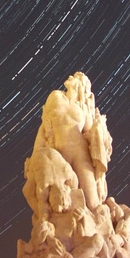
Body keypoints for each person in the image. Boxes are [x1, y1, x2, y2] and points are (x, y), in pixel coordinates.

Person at [34, 73, 100, 210]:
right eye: (79, 82)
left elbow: (90, 132)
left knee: (93, 203)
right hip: (59, 155)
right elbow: (44, 126)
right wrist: (37, 152)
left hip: (81, 156)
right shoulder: (56, 96)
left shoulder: (83, 108)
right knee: (58, 201)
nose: (80, 87)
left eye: (84, 86)